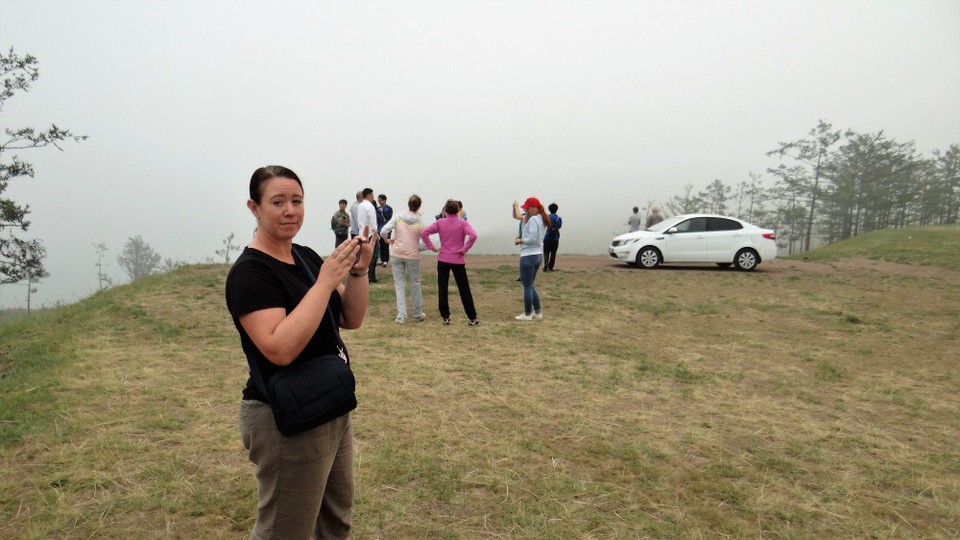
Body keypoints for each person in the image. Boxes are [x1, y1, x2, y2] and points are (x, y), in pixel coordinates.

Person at [225, 165, 373, 539]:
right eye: (277, 202)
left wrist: (357, 272)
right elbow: (280, 348)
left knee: (335, 520)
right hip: (283, 417)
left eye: (297, 200)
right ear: (254, 207)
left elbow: (351, 318)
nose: (290, 210)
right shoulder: (250, 273)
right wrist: (325, 282)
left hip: (329, 402)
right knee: (285, 530)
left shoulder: (305, 256)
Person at [420, 199, 482, 326]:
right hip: (458, 259)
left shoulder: (440, 223)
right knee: (464, 289)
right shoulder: (462, 223)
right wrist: (465, 248)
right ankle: (472, 318)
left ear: (445, 211)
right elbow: (473, 235)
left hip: (443, 259)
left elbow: (424, 233)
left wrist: (432, 248)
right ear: (458, 211)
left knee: (443, 288)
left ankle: (445, 317)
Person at [381, 194, 426, 324]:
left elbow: (384, 230)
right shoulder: (420, 222)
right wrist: (418, 248)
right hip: (412, 255)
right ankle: (417, 313)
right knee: (415, 284)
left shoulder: (398, 217)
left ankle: (401, 315)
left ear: (408, 204)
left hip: (397, 253)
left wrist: (387, 240)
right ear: (419, 206)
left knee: (399, 285)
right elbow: (424, 242)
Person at [514, 196, 547, 320]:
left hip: (528, 255)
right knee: (530, 285)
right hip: (538, 255)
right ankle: (537, 312)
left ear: (534, 208)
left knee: (527, 286)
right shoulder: (542, 219)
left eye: (528, 208)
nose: (526, 210)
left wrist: (520, 240)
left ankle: (527, 314)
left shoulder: (533, 220)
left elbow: (533, 238)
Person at [357, 188, 380, 283]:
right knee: (373, 256)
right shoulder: (370, 206)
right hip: (370, 234)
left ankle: (365, 275)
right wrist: (376, 233)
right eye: (372, 195)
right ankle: (371, 276)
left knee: (363, 256)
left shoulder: (360, 206)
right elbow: (372, 221)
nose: (373, 197)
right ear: (369, 195)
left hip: (361, 233)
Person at [543, 203, 562, 272]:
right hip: (555, 238)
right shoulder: (558, 218)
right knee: (553, 253)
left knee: (546, 252)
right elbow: (559, 226)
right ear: (556, 209)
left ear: (549, 209)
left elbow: (544, 225)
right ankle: (550, 267)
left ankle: (545, 264)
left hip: (547, 237)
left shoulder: (546, 217)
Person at [376, 194, 393, 267]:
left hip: (387, 229)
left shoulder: (388, 208)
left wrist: (382, 212)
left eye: (380, 200)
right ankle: (381, 259)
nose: (379, 202)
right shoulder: (377, 208)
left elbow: (388, 218)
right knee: (380, 244)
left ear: (384, 200)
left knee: (386, 244)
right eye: (378, 200)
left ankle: (386, 260)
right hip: (379, 228)